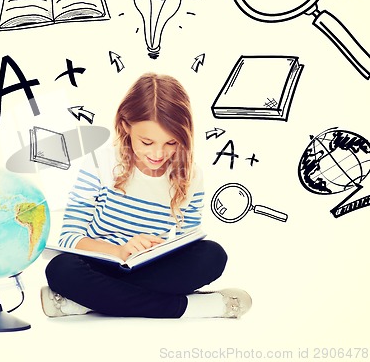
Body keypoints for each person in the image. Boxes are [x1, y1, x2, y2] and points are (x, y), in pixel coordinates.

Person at [41, 73, 251, 318]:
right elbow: (69, 239)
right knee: (61, 269)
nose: (158, 154)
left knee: (212, 255)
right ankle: (188, 308)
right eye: (147, 141)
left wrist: (160, 250)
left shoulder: (191, 176)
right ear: (126, 125)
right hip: (101, 265)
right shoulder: (102, 163)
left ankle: (83, 303)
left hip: (151, 270)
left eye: (171, 143)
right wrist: (120, 252)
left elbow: (188, 244)